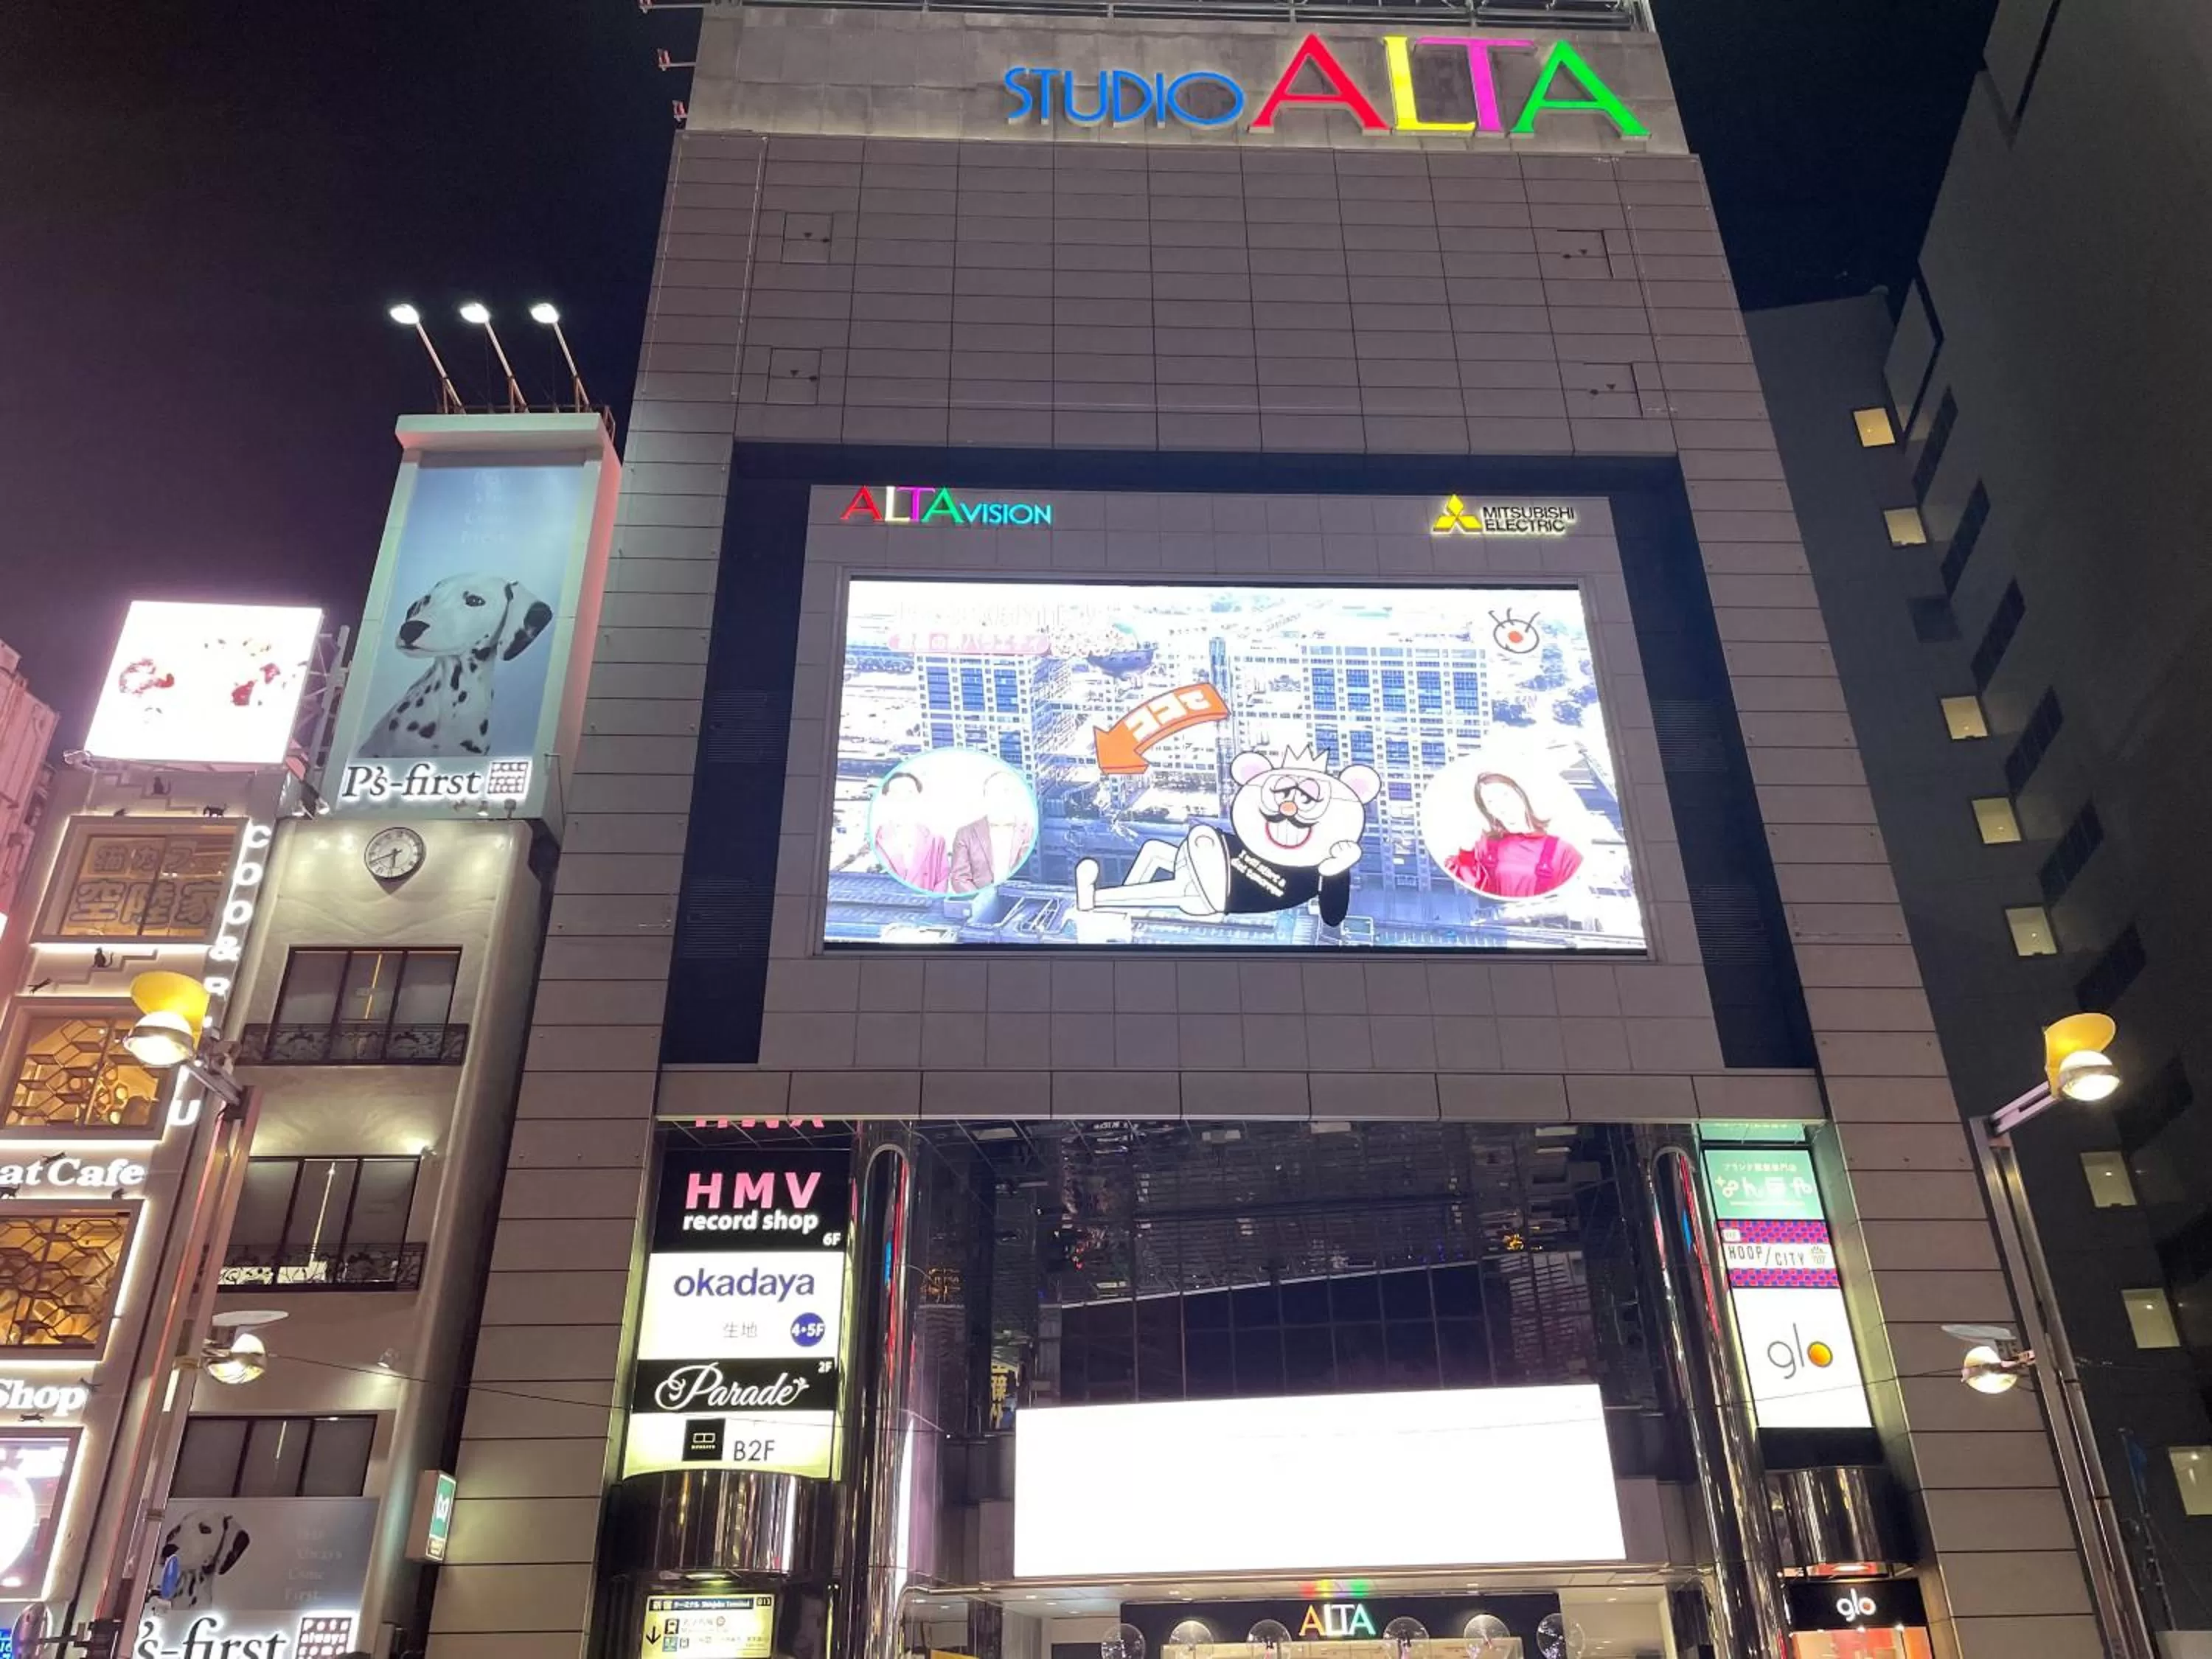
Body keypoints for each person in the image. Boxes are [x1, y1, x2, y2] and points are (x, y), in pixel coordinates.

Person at [1446, 771, 1583, 899]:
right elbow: (1472, 893)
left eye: (1505, 795)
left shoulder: (1563, 852)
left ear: (1520, 795)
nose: (1501, 806)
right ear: (1488, 811)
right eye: (1491, 802)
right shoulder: (1484, 847)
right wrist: (1466, 855)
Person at [947, 769, 1034, 894]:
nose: (1000, 798)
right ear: (985, 797)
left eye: (1006, 791)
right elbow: (959, 878)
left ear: (1015, 797)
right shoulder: (965, 834)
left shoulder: (1029, 832)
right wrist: (981, 900)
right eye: (993, 792)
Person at [873, 771, 947, 892]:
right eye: (896, 793)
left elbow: (942, 881)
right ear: (885, 799)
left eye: (910, 793)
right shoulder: (874, 838)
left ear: (919, 799)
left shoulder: (936, 841)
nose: (903, 799)